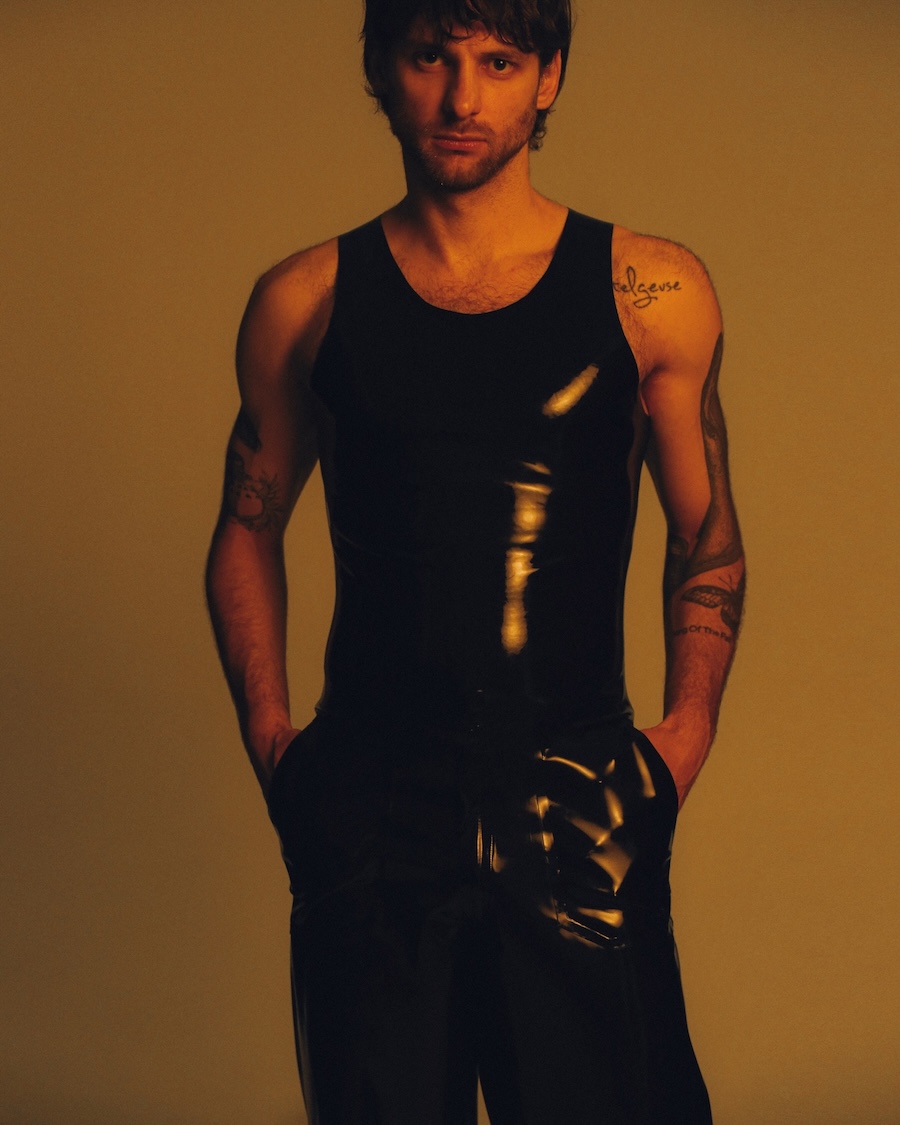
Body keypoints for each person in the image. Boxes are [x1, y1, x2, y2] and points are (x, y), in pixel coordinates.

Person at [206, 0, 745, 1120]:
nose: (462, 98)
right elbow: (248, 524)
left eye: (499, 61)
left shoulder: (650, 291)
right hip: (371, 810)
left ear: (548, 77)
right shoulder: (304, 301)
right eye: (430, 57)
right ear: (382, 68)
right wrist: (274, 741)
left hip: (580, 800)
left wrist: (683, 736)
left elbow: (706, 536)